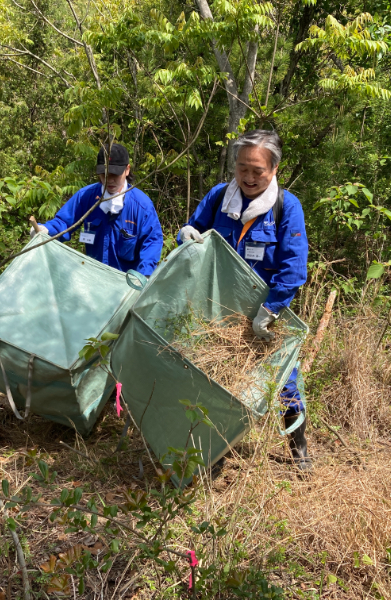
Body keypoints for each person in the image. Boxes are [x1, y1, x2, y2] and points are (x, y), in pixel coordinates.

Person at [177, 130, 311, 470]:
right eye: (242, 169)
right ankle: (215, 450)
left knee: (282, 380)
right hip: (216, 310)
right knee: (215, 379)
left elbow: (293, 268)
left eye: (257, 171)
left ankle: (299, 448)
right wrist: (187, 234)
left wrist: (270, 311)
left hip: (264, 314)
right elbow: (196, 230)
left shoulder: (286, 208)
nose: (249, 178)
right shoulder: (219, 197)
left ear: (275, 169)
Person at [31, 143, 163, 277]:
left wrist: (142, 277)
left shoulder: (141, 206)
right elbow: (64, 223)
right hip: (94, 279)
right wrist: (46, 230)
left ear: (127, 170)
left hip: (126, 283)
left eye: (114, 174)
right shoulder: (86, 197)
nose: (109, 180)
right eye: (104, 175)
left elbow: (152, 242)